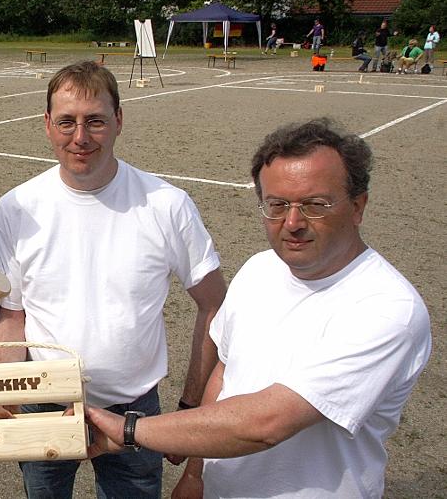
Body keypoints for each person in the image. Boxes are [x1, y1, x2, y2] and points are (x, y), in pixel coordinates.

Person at [85, 118, 431, 499]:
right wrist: (197, 475)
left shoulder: (386, 308)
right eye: (277, 205)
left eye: (315, 204)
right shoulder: (259, 269)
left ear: (357, 206)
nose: (293, 222)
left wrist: (130, 430)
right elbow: (226, 372)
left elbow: (267, 423)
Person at [0, 60, 226, 499]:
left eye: (95, 121)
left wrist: (192, 404)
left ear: (118, 120)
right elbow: (12, 314)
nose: (80, 138)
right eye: (66, 122)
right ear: (46, 125)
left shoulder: (167, 205)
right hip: (44, 401)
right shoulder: (17, 207)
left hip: (135, 408)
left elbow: (216, 307)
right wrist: (3, 399)